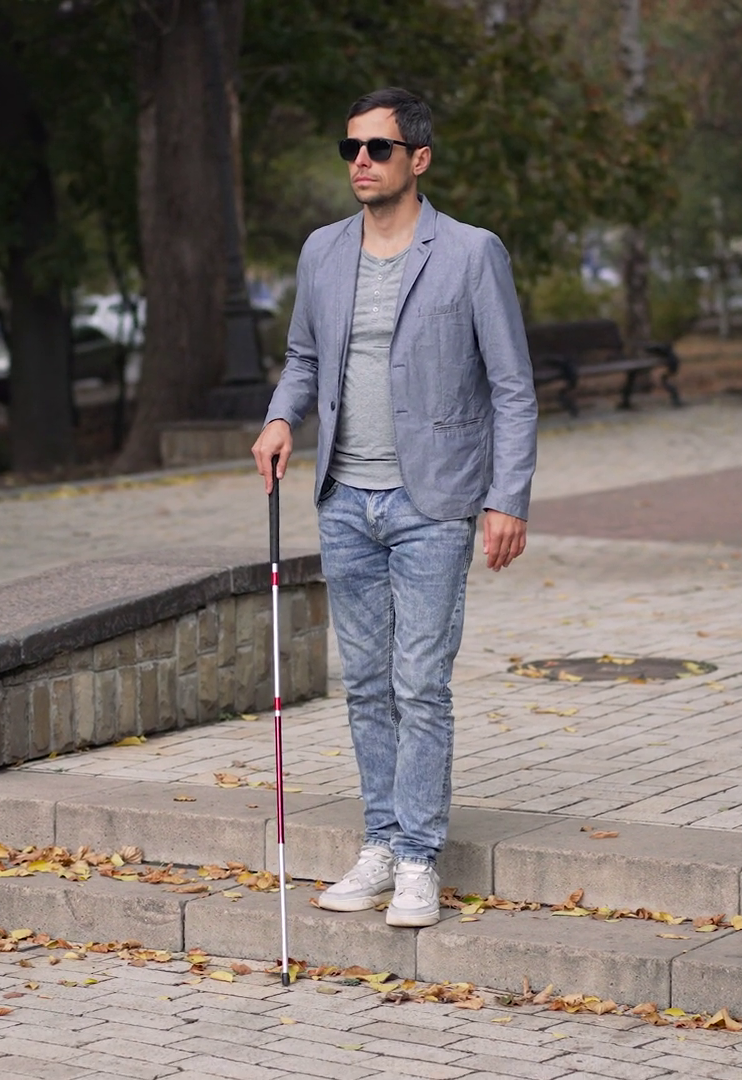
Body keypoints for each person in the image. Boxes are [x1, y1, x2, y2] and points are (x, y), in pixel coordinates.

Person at [251, 87, 537, 928]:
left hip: (433, 502)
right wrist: (280, 417)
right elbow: (304, 357)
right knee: (368, 684)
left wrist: (506, 497)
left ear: (419, 158)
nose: (362, 162)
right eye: (351, 148)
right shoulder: (323, 251)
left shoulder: (472, 253)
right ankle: (379, 844)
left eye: (378, 148)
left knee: (420, 682)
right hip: (344, 499)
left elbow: (512, 387)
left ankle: (417, 859)